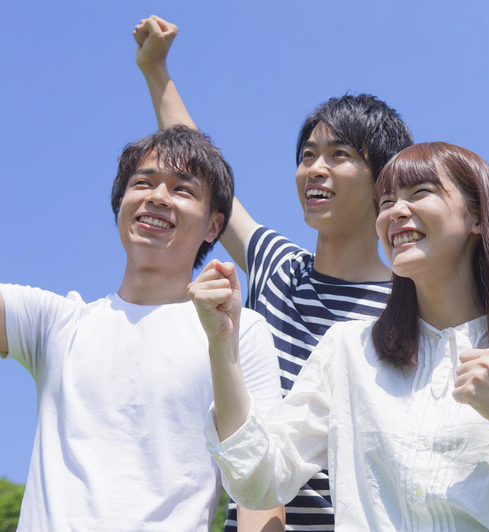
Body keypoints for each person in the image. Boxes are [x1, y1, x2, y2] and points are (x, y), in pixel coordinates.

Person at [190, 142, 489, 531]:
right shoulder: (349, 350)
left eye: (420, 193)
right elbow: (258, 481)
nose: (395, 212)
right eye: (386, 202)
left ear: (477, 216)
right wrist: (223, 344)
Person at [133, 14, 414, 532]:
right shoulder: (278, 268)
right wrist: (156, 71)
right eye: (307, 156)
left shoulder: (410, 302)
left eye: (339, 155)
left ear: (383, 180)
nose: (315, 169)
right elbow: (204, 168)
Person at [0, 126, 283, 531]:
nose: (158, 196)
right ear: (121, 204)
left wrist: (223, 340)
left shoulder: (238, 329)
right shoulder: (57, 324)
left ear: (213, 226)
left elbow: (261, 489)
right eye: (143, 183)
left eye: (182, 190)